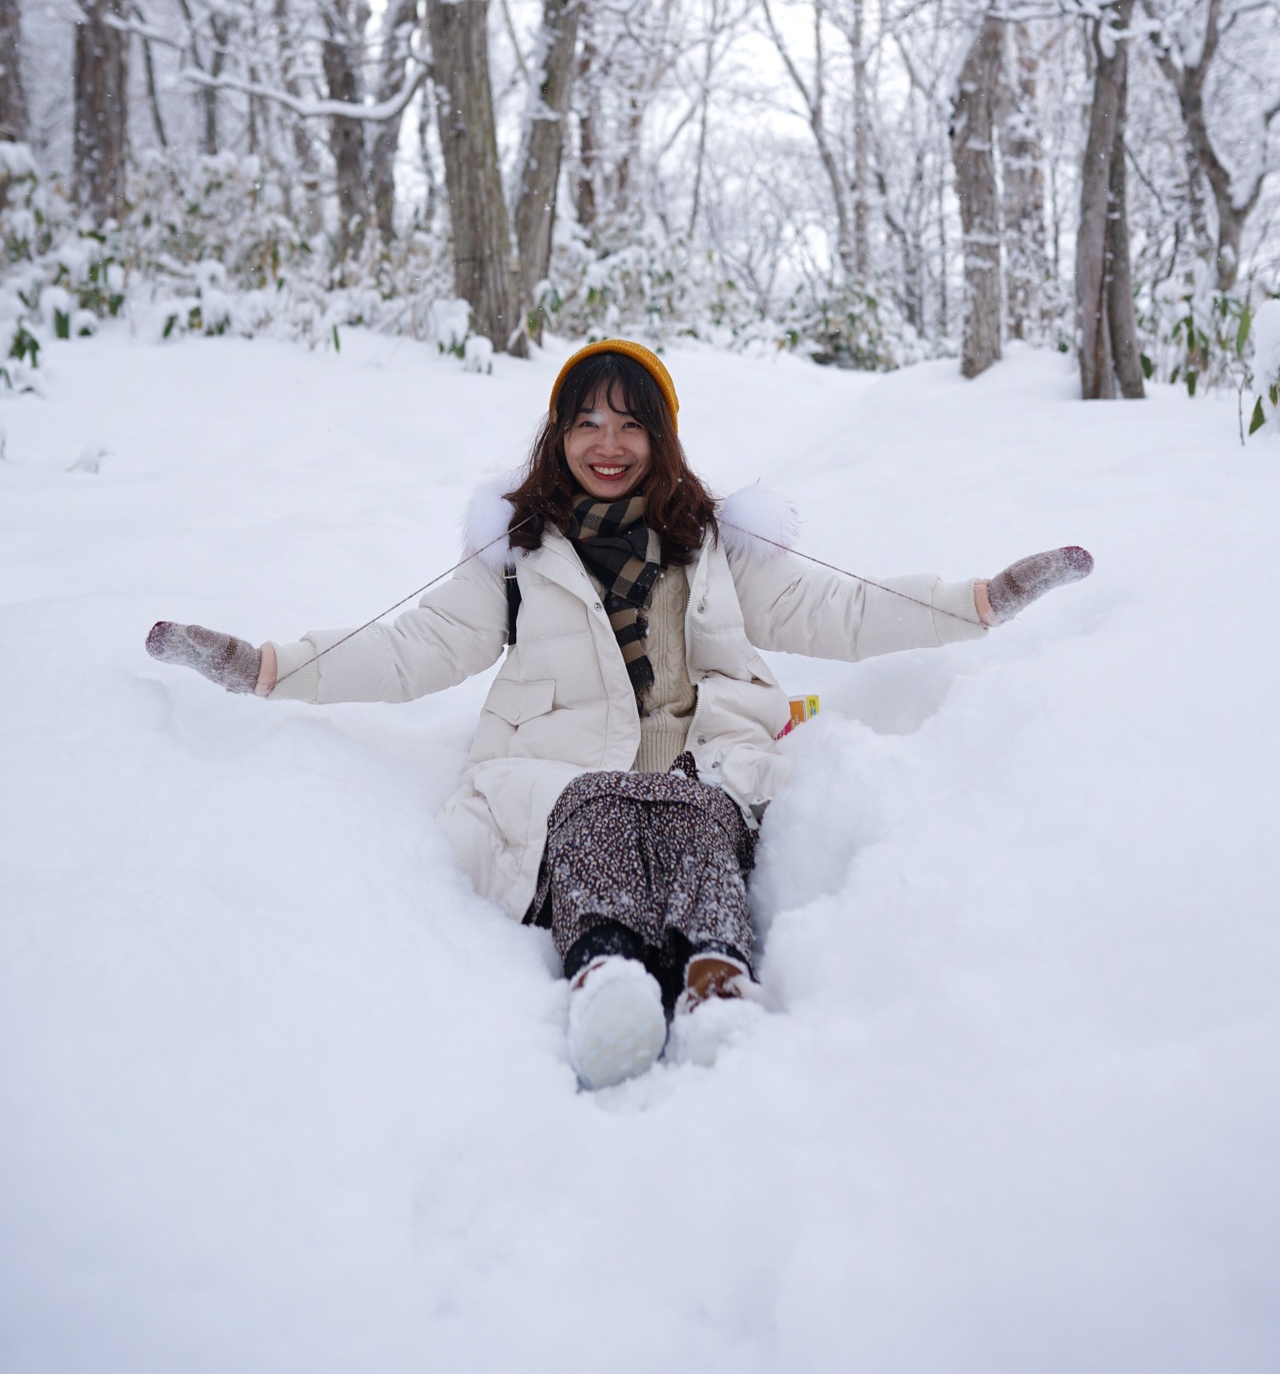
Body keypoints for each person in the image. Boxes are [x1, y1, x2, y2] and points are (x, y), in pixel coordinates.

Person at [146, 340, 1093, 1090]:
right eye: (586, 422)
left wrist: (978, 600)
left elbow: (839, 608)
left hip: (695, 777)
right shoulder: (519, 556)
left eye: (630, 425)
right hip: (562, 790)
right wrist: (266, 667)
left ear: (663, 439)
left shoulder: (713, 546)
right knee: (599, 810)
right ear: (557, 436)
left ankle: (716, 977)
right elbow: (404, 649)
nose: (607, 443)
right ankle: (605, 978)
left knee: (699, 820)